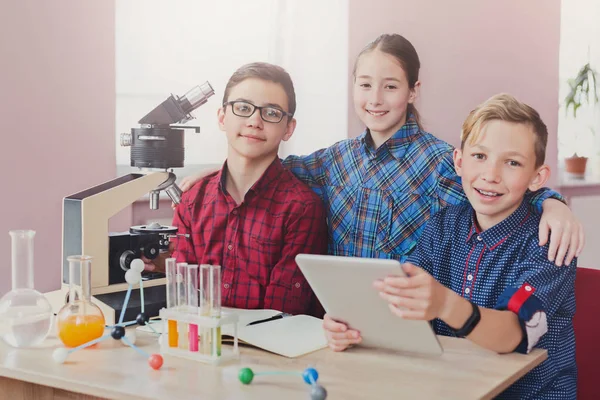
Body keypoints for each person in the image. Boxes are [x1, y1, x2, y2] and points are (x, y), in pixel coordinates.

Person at [179, 34, 583, 329]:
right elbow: (269, 167)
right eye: (365, 85)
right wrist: (215, 175)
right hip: (337, 324)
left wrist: (551, 201)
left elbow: (497, 188)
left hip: (409, 325)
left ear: (412, 91)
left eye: (390, 87)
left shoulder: (443, 163)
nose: (375, 98)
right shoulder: (335, 160)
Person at [370, 94, 576, 398]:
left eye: (512, 163)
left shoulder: (549, 242)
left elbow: (512, 333)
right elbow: (406, 299)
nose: (490, 176)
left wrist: (444, 303)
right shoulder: (442, 226)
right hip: (449, 388)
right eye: (480, 156)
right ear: (459, 161)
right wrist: (357, 326)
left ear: (537, 177)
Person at [146, 62, 328, 317]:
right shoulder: (192, 200)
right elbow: (184, 292)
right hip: (199, 346)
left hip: (270, 350)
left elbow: (282, 315)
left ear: (288, 128)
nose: (255, 121)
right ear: (222, 117)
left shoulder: (302, 208)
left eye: (272, 113)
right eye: (243, 108)